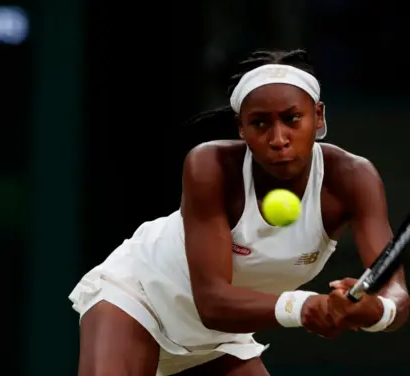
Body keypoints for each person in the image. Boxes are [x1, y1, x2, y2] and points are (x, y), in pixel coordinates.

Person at [69, 49, 410, 376]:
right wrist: (303, 307)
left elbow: (396, 295)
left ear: (318, 116)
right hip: (140, 298)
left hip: (218, 339)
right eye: (260, 124)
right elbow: (212, 302)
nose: (279, 138)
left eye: (292, 119)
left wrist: (378, 310)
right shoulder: (209, 164)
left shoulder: (353, 178)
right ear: (240, 128)